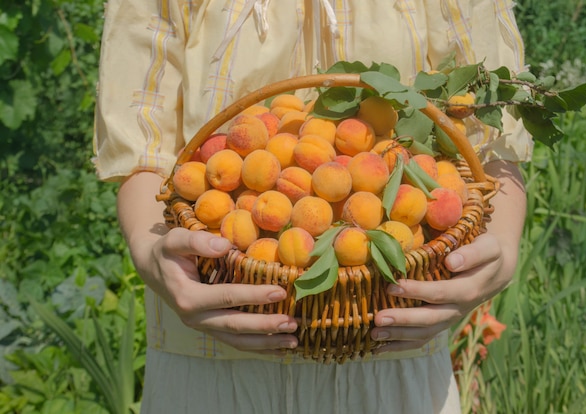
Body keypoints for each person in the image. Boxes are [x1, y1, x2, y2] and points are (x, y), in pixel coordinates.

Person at [93, 1, 531, 413]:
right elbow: (139, 149)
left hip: (394, 352)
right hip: (209, 361)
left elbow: (494, 144)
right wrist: (152, 254)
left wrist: (501, 248)